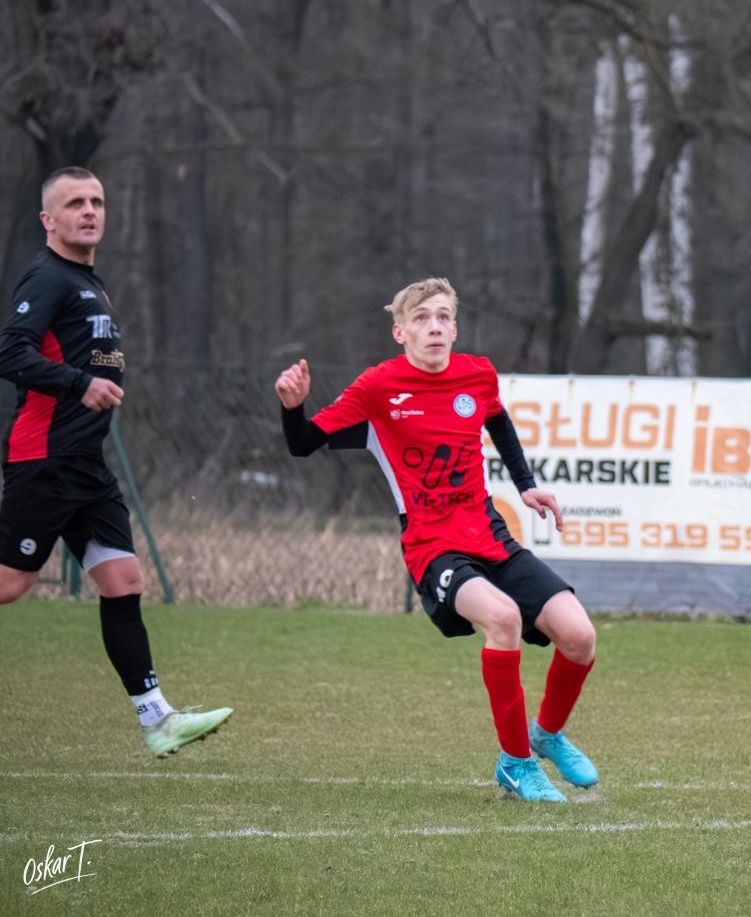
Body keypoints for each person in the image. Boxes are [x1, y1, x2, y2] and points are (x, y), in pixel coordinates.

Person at [275, 277, 596, 803]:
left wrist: (528, 486)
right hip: (433, 547)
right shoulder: (379, 386)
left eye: (444, 317)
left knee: (580, 637)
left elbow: (500, 424)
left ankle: (545, 736)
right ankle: (516, 764)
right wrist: (293, 408)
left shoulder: (477, 374)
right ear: (400, 332)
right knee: (503, 619)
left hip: (489, 535)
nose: (435, 327)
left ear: (455, 328)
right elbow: (304, 444)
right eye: (423, 318)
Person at [0, 167, 232, 756]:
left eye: (97, 200)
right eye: (75, 203)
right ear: (48, 221)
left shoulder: (89, 283)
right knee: (11, 583)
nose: (89, 210)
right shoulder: (48, 277)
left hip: (85, 467)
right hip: (45, 458)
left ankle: (157, 720)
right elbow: (10, 350)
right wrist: (79, 383)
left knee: (123, 580)